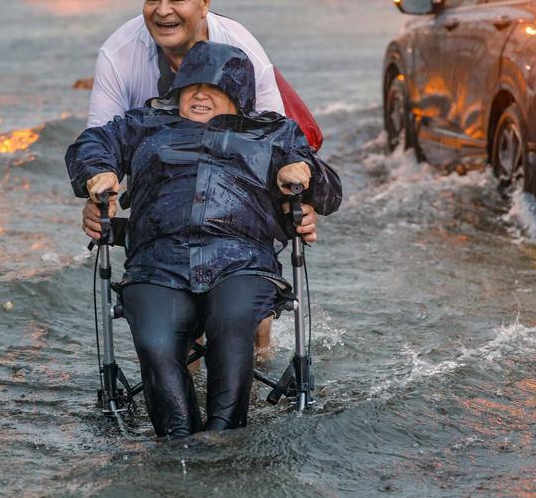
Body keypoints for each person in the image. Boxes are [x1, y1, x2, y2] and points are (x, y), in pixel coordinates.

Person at [66, 41, 342, 438]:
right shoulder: (144, 124)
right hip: (156, 262)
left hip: (242, 261)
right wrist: (97, 172)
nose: (199, 95)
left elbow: (331, 195)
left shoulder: (274, 132)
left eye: (213, 88)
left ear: (239, 95)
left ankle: (223, 440)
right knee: (156, 341)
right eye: (191, 86)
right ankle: (177, 444)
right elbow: (92, 144)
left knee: (232, 327)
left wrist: (303, 169)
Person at [80, 0, 321, 244]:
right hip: (161, 201)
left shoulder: (241, 48)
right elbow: (101, 139)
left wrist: (295, 201)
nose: (163, 11)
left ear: (205, 2)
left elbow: (275, 138)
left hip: (234, 204)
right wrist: (98, 184)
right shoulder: (118, 54)